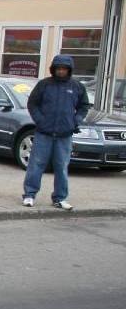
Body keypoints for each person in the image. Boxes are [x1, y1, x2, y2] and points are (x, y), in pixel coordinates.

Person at [22, 54, 90, 210]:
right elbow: (33, 104)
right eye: (58, 68)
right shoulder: (44, 85)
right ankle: (29, 195)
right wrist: (40, 120)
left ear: (69, 70)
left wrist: (75, 120)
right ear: (54, 69)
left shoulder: (77, 87)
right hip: (43, 133)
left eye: (64, 69)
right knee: (36, 165)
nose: (61, 71)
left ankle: (60, 198)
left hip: (64, 135)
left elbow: (84, 106)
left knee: (62, 166)